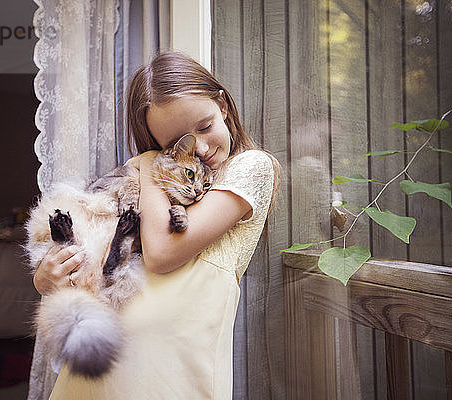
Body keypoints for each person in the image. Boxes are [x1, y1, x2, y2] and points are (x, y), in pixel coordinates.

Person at [30, 51, 279, 399]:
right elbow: (95, 239)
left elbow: (161, 254)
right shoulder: (153, 182)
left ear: (222, 105)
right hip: (102, 350)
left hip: (170, 367)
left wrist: (149, 164)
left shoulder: (251, 167)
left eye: (205, 126)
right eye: (172, 144)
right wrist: (45, 277)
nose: (201, 147)